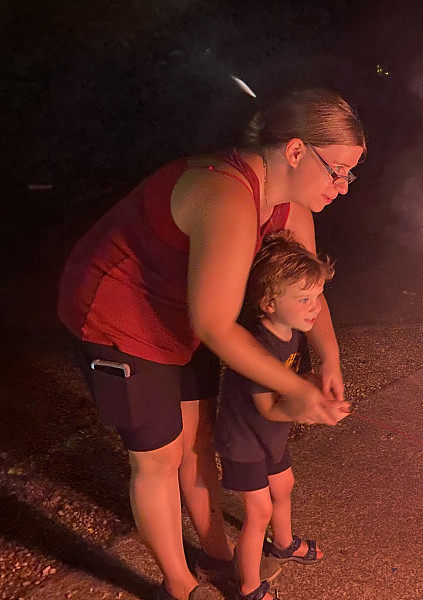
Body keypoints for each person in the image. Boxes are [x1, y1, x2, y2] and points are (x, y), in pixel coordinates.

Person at [57, 88, 363, 600]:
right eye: (337, 170)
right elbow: (219, 325)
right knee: (158, 456)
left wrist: (328, 356)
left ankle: (216, 554)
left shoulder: (291, 208)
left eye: (352, 174)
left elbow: (311, 288)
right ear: (294, 150)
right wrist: (296, 388)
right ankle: (179, 586)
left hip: (184, 315)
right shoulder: (223, 192)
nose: (345, 187)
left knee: (197, 442)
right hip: (121, 314)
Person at [215, 232, 344, 600]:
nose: (314, 308)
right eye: (304, 299)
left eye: (317, 296)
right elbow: (269, 406)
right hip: (244, 440)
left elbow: (294, 381)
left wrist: (316, 389)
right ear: (270, 302)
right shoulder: (257, 346)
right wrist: (305, 411)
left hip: (271, 436)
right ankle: (249, 586)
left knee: (284, 488)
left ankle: (283, 544)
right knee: (258, 513)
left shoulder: (293, 331)